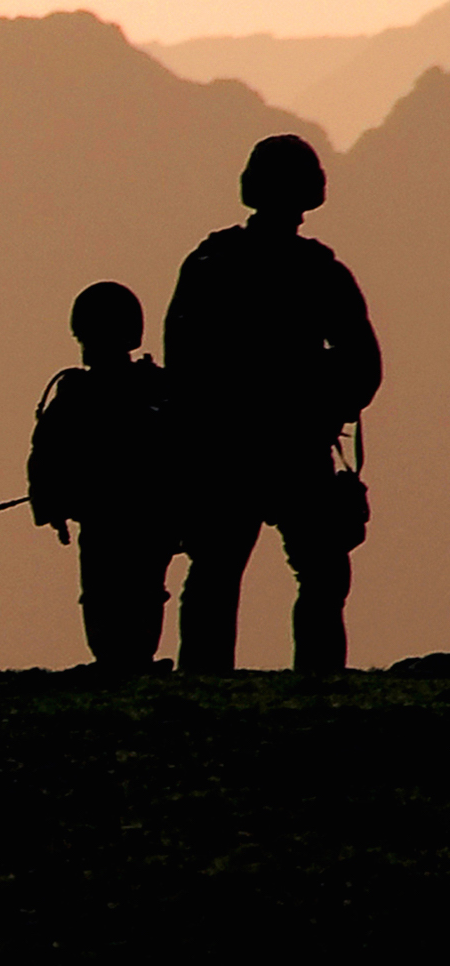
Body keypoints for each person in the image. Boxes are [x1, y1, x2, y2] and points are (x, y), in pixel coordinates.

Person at [164, 134, 380, 673]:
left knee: (216, 570)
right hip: (293, 447)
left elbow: (180, 365)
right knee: (321, 573)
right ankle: (318, 681)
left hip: (229, 447)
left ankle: (205, 686)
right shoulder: (319, 271)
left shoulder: (211, 263)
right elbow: (363, 365)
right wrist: (325, 404)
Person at [22, 281, 175, 671]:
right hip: (116, 517)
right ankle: (119, 661)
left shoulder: (151, 391)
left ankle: (128, 661)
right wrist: (50, 502)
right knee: (112, 595)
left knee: (131, 593)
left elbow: (182, 450)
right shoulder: (87, 394)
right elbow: (46, 455)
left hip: (139, 518)